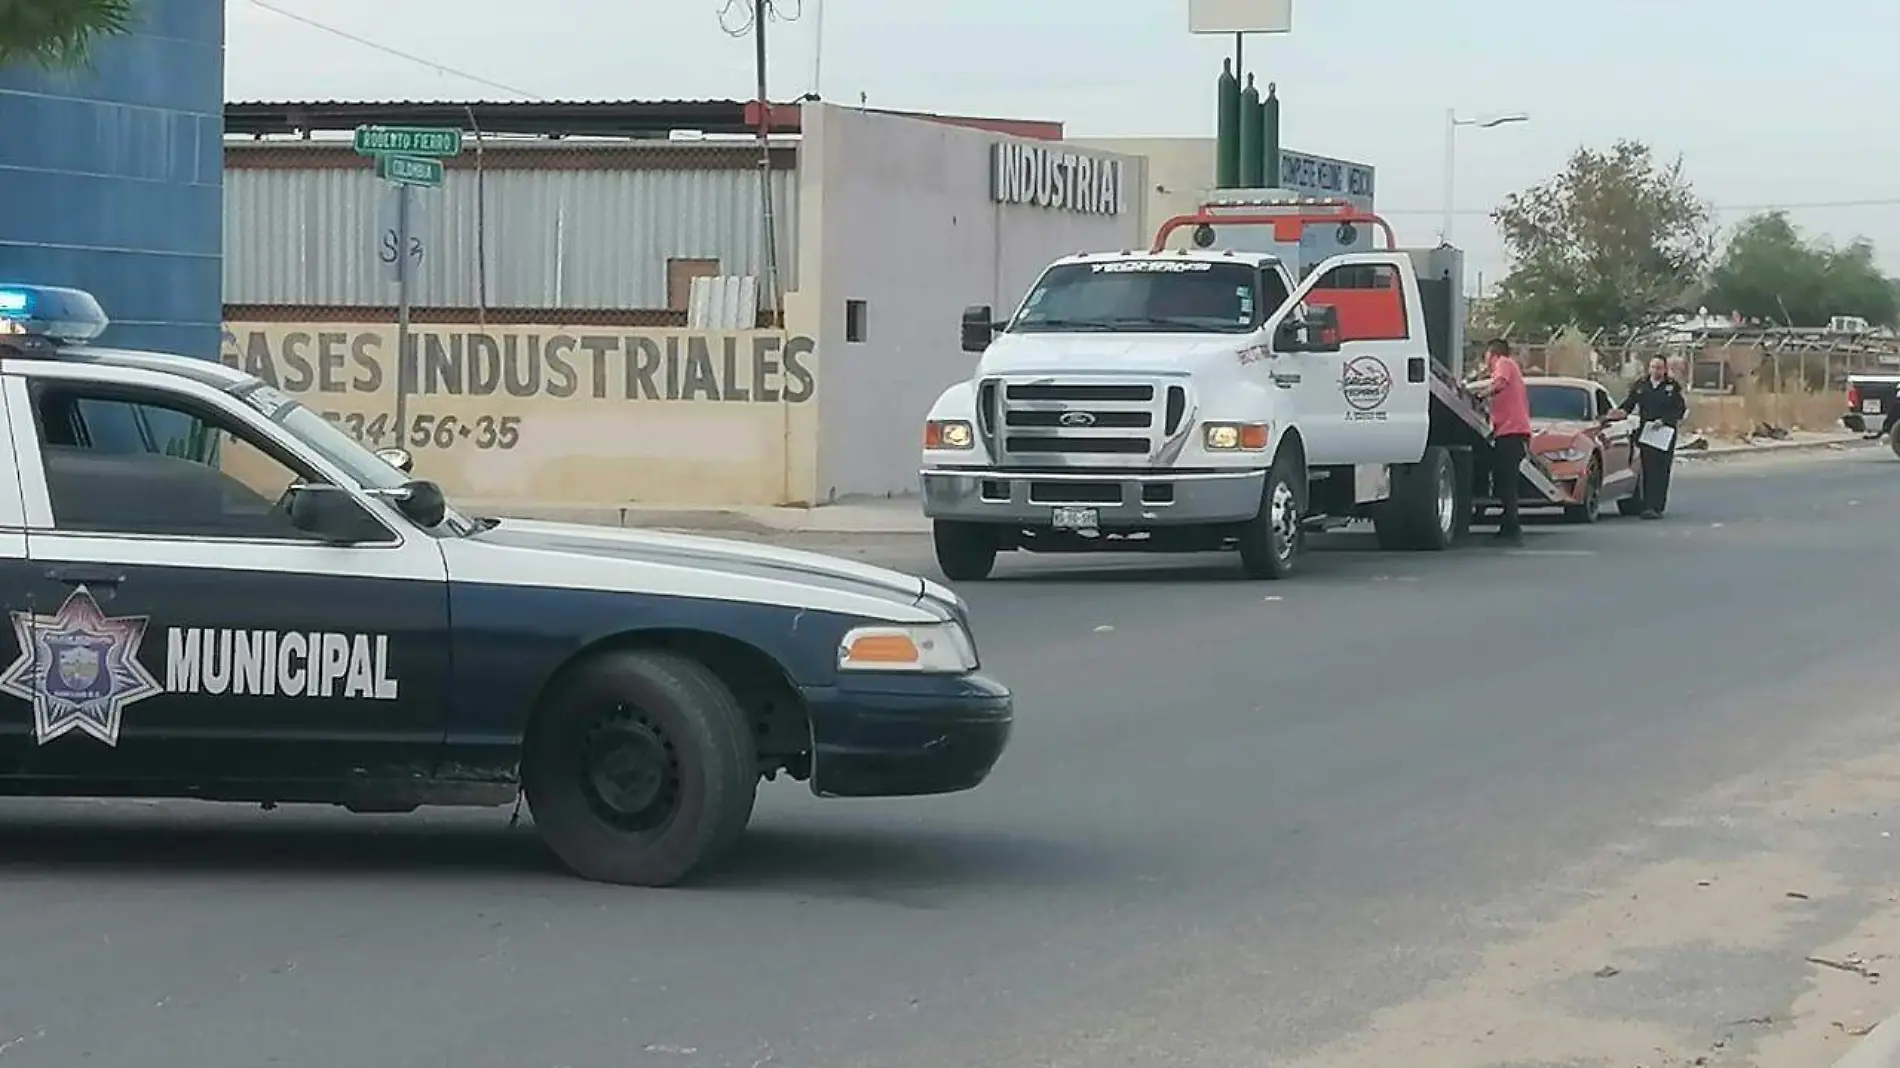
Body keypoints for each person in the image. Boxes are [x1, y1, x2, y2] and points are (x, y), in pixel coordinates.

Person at [1465, 338, 1532, 545]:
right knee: (1504, 481)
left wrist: (1480, 395)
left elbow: (1500, 384)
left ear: (1493, 353)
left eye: (1485, 354)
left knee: (1507, 482)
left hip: (1512, 432)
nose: (1485, 359)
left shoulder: (1504, 363)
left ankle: (1513, 528)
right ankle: (1508, 526)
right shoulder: (1508, 368)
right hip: (1508, 431)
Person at [1621, 356, 1688, 519]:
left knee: (1661, 469)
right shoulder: (1641, 385)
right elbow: (1629, 403)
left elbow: (1679, 410)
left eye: (1659, 368)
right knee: (1646, 469)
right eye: (1652, 367)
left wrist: (1664, 420)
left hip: (1664, 433)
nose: (1655, 371)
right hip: (1646, 432)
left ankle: (1657, 506)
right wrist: (1619, 413)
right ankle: (1645, 505)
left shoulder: (1672, 387)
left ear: (1665, 369)